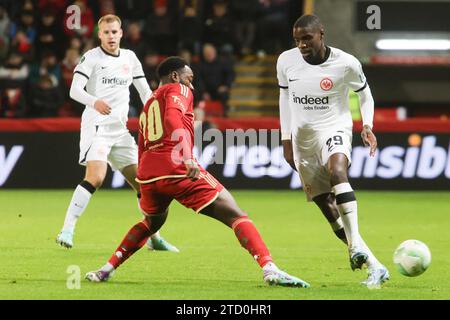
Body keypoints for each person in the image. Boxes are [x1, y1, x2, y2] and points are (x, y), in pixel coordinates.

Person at [85, 57, 310, 288]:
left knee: (151, 223)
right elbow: (173, 118)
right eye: (189, 79)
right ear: (175, 76)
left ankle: (106, 269)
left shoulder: (149, 102)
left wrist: (144, 177)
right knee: (236, 215)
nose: (191, 86)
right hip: (176, 168)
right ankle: (269, 268)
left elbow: (142, 144)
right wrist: (188, 157)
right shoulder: (178, 89)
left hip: (149, 175)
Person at [277, 14, 389, 288]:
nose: (302, 45)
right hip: (303, 138)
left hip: (334, 127)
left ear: (321, 35)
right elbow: (284, 98)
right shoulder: (285, 61)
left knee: (338, 171)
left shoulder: (346, 63)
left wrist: (367, 125)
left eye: (307, 38)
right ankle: (372, 262)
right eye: (297, 40)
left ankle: (356, 249)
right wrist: (286, 140)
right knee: (326, 205)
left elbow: (365, 93)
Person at [56, 14, 178, 253]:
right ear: (99, 35)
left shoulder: (130, 58)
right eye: (106, 33)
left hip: (120, 131)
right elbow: (74, 90)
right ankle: (67, 229)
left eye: (115, 32)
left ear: (121, 33)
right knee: (96, 177)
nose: (111, 36)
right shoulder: (91, 58)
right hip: (97, 127)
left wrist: (160, 113)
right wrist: (94, 102)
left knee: (144, 185)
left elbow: (145, 92)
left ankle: (154, 237)